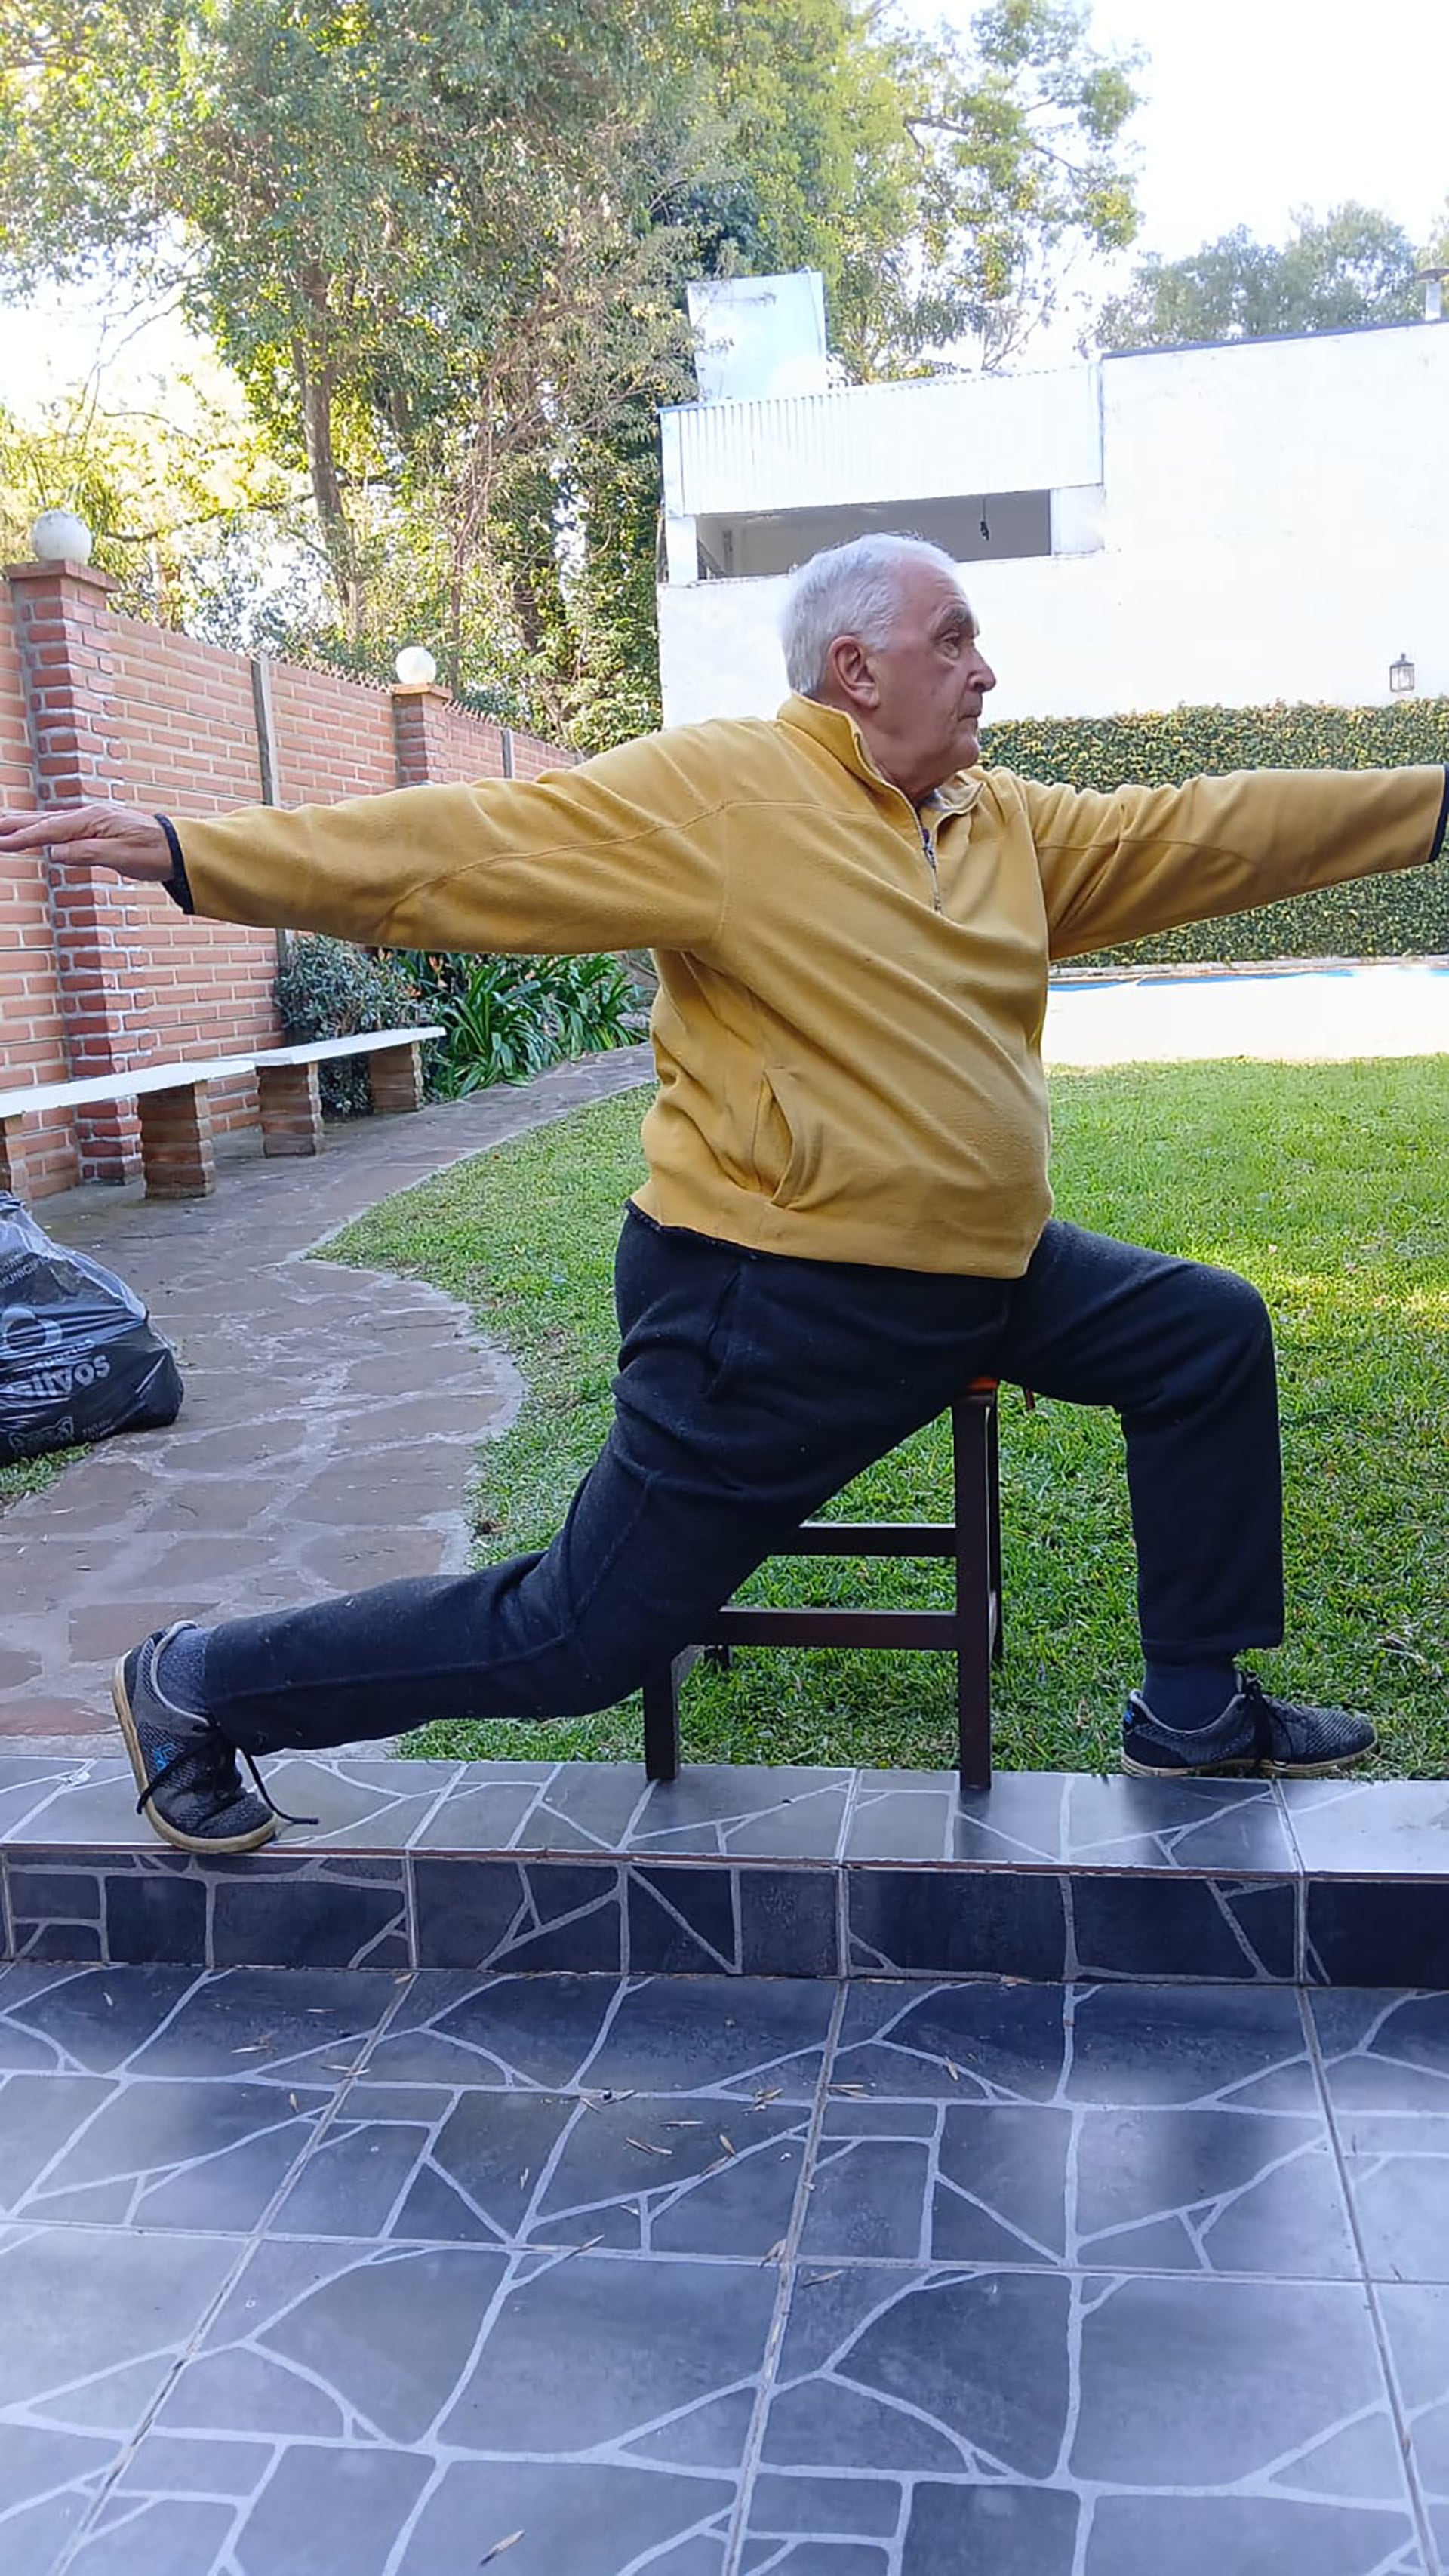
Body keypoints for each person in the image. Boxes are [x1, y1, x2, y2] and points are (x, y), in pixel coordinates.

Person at [2, 534, 1444, 1855]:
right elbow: (472, 846)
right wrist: (201, 853)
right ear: (855, 667)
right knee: (575, 1639)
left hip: (987, 1275)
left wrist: (1426, 806)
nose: (987, 667)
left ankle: (1193, 1713)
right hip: (776, 1299)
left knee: (1198, 1331)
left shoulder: (999, 822)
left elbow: (1208, 825)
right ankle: (196, 1683)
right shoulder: (732, 795)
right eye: (957, 638)